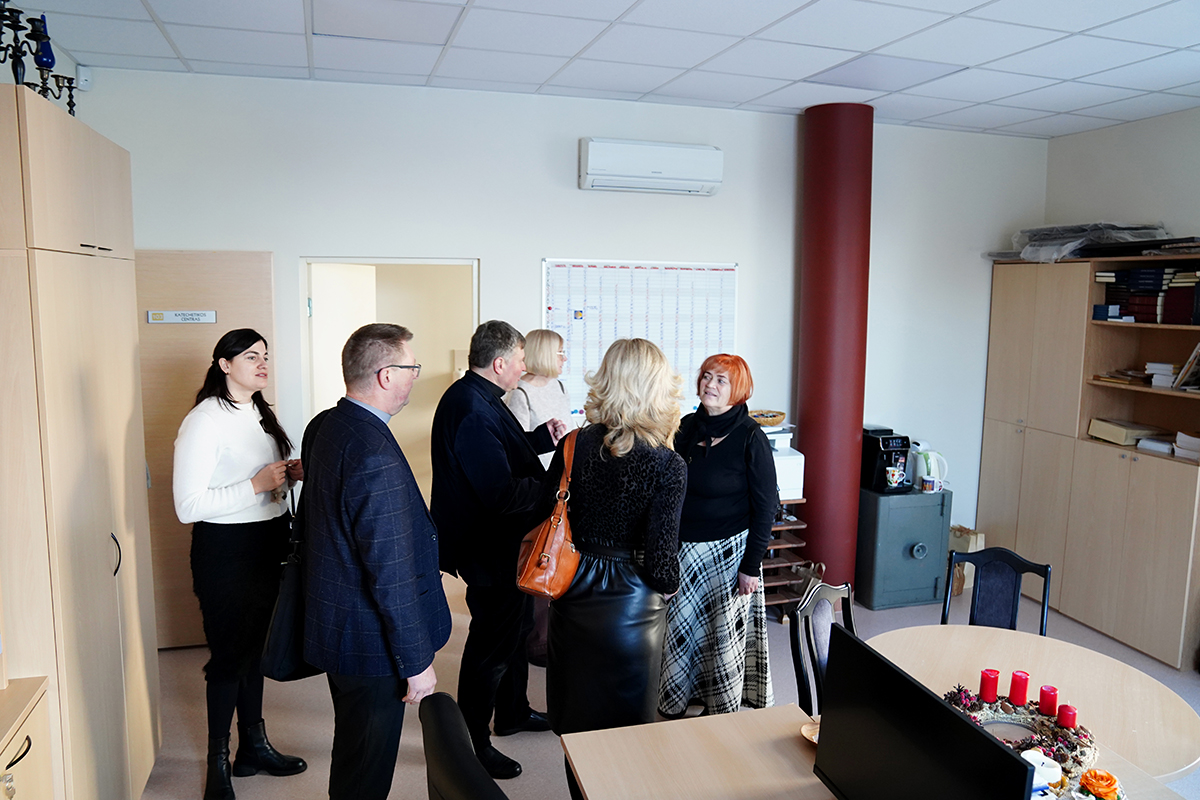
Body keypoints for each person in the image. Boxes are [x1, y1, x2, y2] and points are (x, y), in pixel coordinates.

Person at [301, 323, 451, 800]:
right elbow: (390, 575)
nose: (415, 376)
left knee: (353, 752)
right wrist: (417, 662)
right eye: (412, 367)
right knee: (366, 770)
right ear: (386, 375)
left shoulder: (328, 425)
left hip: (338, 626)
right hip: (371, 644)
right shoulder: (374, 453)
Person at [544, 338, 687, 800]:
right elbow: (661, 560)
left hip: (573, 593)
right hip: (633, 610)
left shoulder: (575, 444)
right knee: (628, 738)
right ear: (657, 387)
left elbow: (549, 511)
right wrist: (669, 585)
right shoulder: (668, 463)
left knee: (577, 727)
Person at [173, 328, 307, 800]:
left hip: (269, 541)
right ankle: (219, 763)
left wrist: (287, 476)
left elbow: (264, 483)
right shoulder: (204, 420)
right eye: (250, 356)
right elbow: (188, 506)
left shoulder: (260, 413)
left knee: (256, 651)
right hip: (226, 551)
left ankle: (254, 747)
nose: (262, 363)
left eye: (265, 355)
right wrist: (254, 485)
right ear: (224, 365)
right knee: (229, 658)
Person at [431, 320, 567, 779]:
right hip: (490, 549)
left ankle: (512, 712)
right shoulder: (471, 407)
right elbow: (499, 493)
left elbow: (499, 453)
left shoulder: (480, 396)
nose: (525, 367)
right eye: (521, 360)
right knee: (490, 647)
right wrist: (556, 489)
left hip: (503, 544)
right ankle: (472, 744)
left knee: (517, 630)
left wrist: (541, 441)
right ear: (500, 362)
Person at [657, 354, 777, 719]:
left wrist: (751, 567)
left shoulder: (751, 437)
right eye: (707, 376)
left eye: (721, 380)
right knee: (682, 634)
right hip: (685, 552)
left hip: (730, 555)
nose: (710, 384)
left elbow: (766, 507)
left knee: (722, 640)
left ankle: (720, 711)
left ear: (738, 390)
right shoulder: (685, 427)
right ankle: (678, 703)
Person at [504, 328, 573, 667]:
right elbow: (516, 451)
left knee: (559, 557)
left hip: (564, 483)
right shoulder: (520, 394)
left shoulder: (559, 387)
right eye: (560, 352)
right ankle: (536, 642)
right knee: (540, 556)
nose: (564, 358)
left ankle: (552, 637)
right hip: (537, 490)